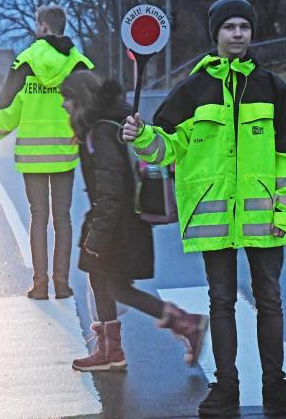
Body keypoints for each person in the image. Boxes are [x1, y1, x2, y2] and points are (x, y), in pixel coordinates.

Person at [121, 0, 286, 415]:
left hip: (265, 219)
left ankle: (276, 386)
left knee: (270, 300)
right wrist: (142, 136)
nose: (238, 34)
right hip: (214, 218)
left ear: (251, 33)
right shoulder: (193, 89)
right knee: (221, 302)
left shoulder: (273, 87)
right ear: (217, 34)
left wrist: (284, 209)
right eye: (230, 27)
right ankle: (226, 388)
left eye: (244, 26)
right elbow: (167, 148)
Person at [60, 71, 209, 372]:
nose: (63, 105)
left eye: (67, 98)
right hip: (121, 220)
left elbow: (112, 188)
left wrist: (97, 235)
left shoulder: (100, 131)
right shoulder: (109, 123)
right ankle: (113, 350)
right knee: (104, 281)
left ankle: (184, 324)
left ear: (81, 99)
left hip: (117, 223)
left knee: (113, 285)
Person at [0, 5, 93, 300]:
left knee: (38, 218)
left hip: (32, 157)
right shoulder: (79, 64)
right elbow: (95, 107)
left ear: (42, 26)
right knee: (63, 218)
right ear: (63, 26)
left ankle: (40, 285)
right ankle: (62, 285)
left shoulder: (24, 62)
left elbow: (7, 113)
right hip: (65, 154)